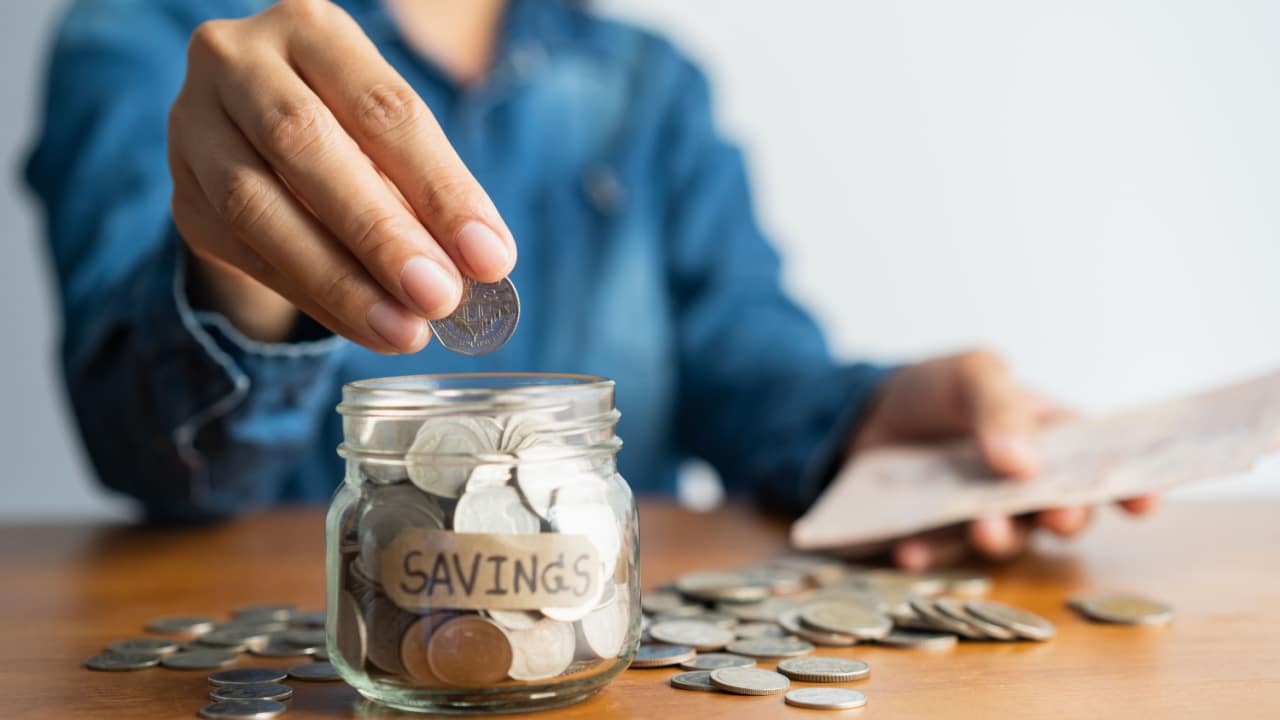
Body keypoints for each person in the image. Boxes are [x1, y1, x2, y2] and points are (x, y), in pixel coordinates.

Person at [25, 0, 1154, 569]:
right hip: (317, 647)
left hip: (595, 626)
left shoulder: (646, 83)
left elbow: (742, 362)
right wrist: (235, 252)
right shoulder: (153, 37)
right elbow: (152, 454)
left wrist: (865, 418)